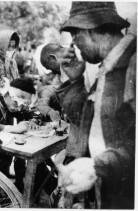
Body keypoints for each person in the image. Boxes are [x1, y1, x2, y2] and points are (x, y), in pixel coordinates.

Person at [57, 2, 136, 209]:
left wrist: (98, 166)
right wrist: (74, 81)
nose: (73, 42)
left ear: (92, 29)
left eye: (75, 33)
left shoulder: (132, 65)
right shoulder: (108, 67)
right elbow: (83, 123)